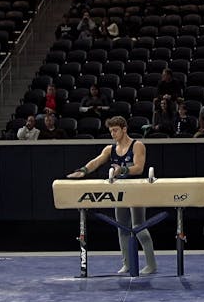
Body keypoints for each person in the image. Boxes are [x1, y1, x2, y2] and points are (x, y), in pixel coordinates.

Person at [67, 116, 157, 275]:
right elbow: (96, 162)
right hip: (119, 191)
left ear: (124, 129)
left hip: (136, 189)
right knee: (121, 228)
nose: (113, 134)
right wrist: (83, 171)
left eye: (115, 130)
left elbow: (139, 168)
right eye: (111, 131)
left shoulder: (137, 146)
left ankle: (151, 264)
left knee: (138, 226)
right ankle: (127, 264)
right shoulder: (110, 149)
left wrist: (122, 170)